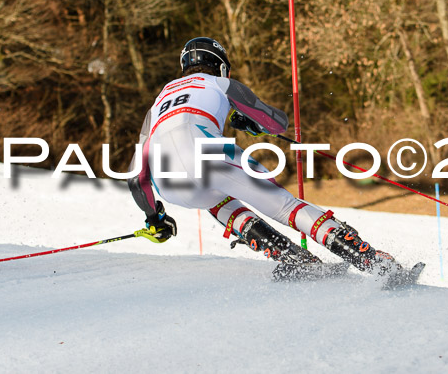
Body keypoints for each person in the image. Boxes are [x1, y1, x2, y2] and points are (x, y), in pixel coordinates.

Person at [127, 37, 399, 276]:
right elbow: (276, 123)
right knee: (285, 207)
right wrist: (246, 120)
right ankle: (368, 258)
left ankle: (291, 258)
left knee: (218, 199)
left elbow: (136, 178)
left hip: (169, 184)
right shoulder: (221, 83)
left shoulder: (157, 103)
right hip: (209, 157)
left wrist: (154, 218)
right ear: (221, 66)